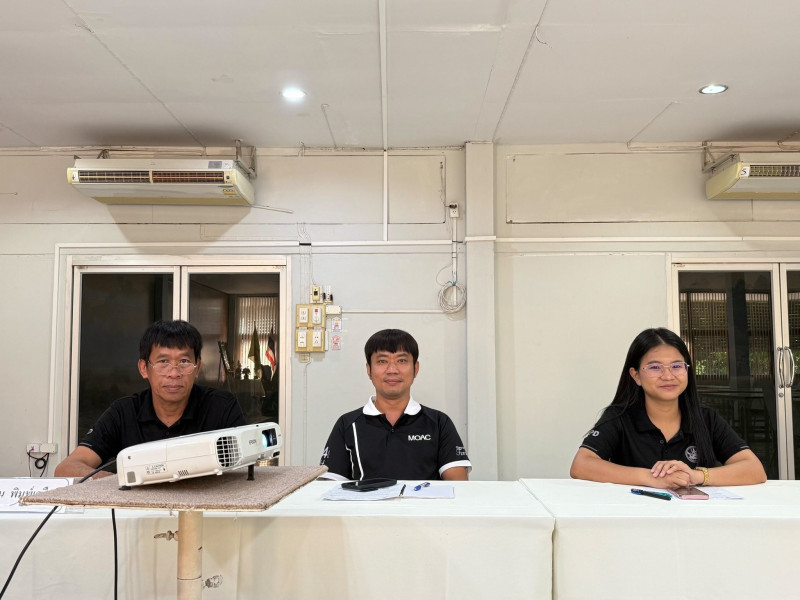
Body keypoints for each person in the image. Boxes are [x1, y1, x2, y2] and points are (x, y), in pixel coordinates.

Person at [570, 327, 767, 489]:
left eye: (677, 366)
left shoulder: (707, 419)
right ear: (636, 375)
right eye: (655, 367)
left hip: (696, 518)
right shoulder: (619, 417)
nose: (668, 376)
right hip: (635, 517)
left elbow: (755, 470)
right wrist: (651, 478)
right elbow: (581, 465)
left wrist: (696, 476)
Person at [55, 320, 245, 479]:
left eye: (184, 361)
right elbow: (66, 468)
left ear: (197, 368)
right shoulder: (124, 412)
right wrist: (122, 482)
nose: (174, 373)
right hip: (137, 509)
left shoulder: (222, 407)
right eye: (163, 362)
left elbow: (244, 473)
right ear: (143, 368)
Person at [319, 329, 471, 481]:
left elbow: (458, 485)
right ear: (369, 370)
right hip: (366, 498)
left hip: (423, 498)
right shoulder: (347, 424)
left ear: (416, 368)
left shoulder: (439, 422)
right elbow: (329, 486)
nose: (392, 370)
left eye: (402, 361)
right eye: (382, 361)